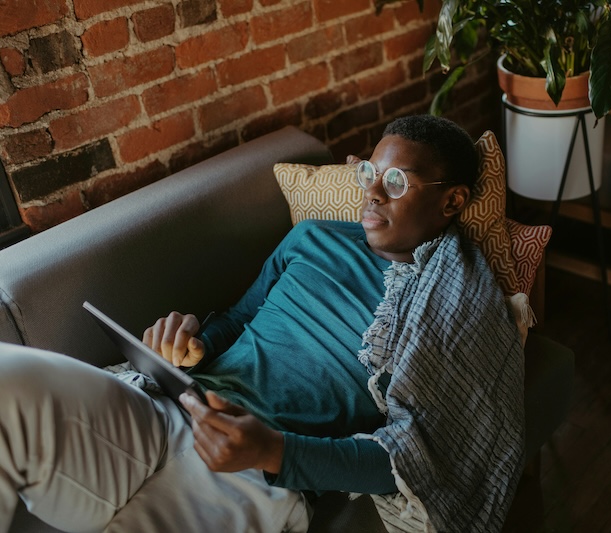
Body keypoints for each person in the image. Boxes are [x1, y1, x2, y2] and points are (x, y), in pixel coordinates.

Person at [0, 115, 525, 533]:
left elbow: (416, 457)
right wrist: (193, 344)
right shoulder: (313, 236)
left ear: (452, 200)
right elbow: (241, 317)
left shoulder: (453, 305)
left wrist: (273, 451)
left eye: (395, 181)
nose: (372, 193)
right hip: (168, 404)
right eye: (368, 172)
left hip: (252, 474)